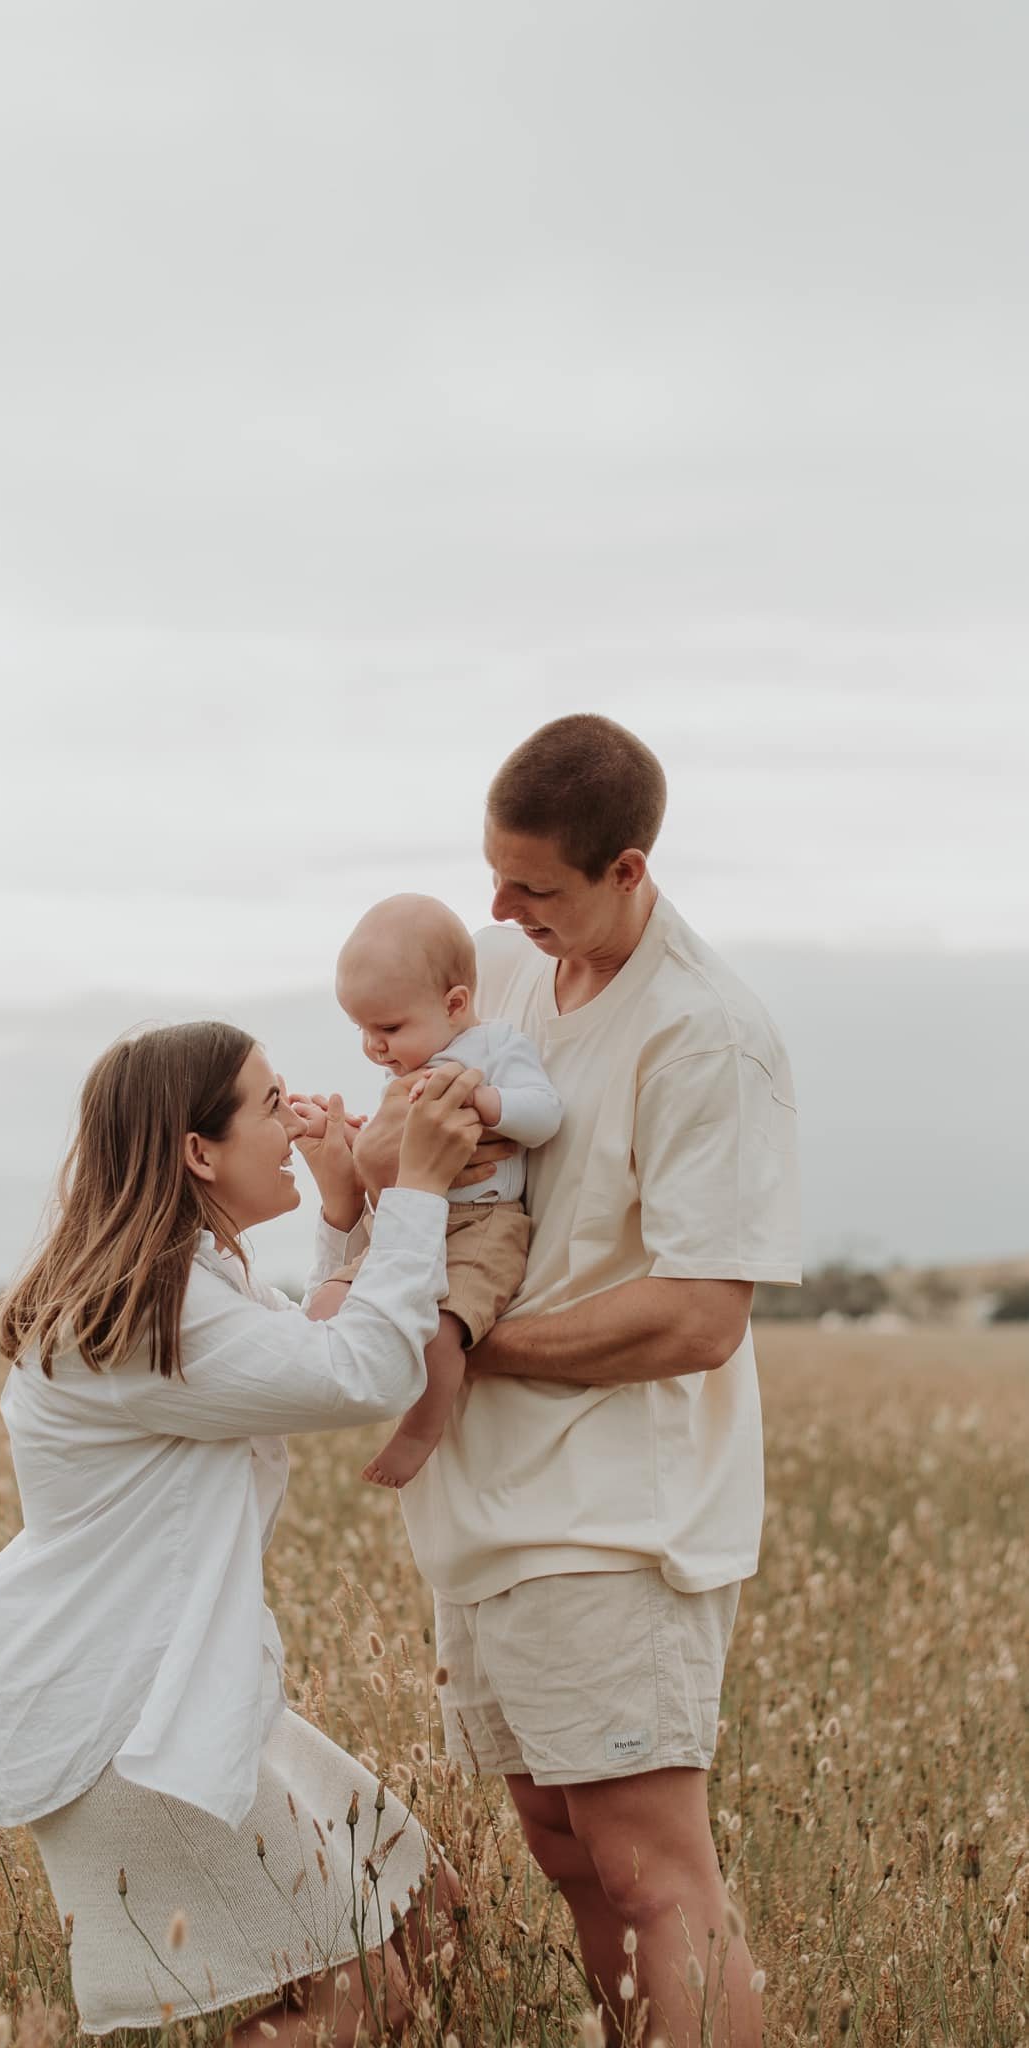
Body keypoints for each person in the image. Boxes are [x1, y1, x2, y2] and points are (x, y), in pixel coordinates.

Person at [352, 714, 801, 2048]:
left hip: (615, 1519)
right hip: (489, 1517)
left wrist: (468, 1348)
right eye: (494, 876)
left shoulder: (706, 1033)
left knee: (653, 1870)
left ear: (627, 869)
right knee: (562, 1846)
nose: (499, 908)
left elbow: (703, 1315)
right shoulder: (496, 969)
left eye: (535, 887)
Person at [0, 1022, 482, 2045]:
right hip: (127, 1721)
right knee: (361, 1992)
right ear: (198, 1150)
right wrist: (416, 1188)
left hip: (183, 1688)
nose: (296, 1119)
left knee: (428, 1915)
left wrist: (347, 1208)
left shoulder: (190, 1283)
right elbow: (361, 1372)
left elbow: (314, 1337)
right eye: (268, 1100)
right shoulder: (153, 1310)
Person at [302, 892, 562, 1488]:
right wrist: (354, 1138)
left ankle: (420, 1431)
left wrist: (486, 1102)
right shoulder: (407, 1070)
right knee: (327, 1306)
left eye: (388, 1027)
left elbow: (544, 1114)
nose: (375, 1047)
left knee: (441, 1331)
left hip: (482, 1224)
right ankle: (330, 1394)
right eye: (363, 1030)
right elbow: (393, 1157)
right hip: (408, 1222)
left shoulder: (495, 1048)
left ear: (455, 1003)